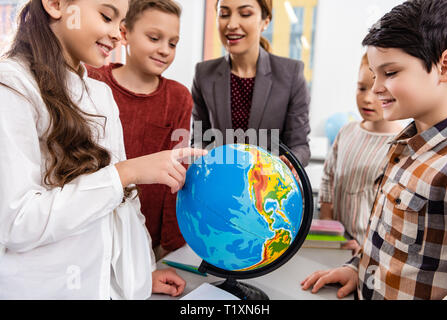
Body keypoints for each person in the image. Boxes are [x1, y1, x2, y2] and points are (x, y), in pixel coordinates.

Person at [0, 0, 206, 299]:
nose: (116, 33)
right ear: (57, 5)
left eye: (119, 22)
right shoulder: (12, 86)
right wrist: (124, 173)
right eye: (107, 16)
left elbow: (123, 208)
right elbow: (18, 224)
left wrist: (142, 273)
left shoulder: (100, 94)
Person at [302, 0, 447, 300]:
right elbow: (389, 244)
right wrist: (357, 268)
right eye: (373, 74)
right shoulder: (403, 148)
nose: (377, 87)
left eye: (390, 73)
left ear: (444, 66)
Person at [87, 0, 190, 261]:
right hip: (92, 231)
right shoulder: (92, 80)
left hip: (148, 240)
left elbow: (179, 174)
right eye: (154, 38)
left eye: (173, 43)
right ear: (124, 33)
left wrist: (170, 245)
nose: (165, 50)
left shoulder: (179, 98)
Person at [191, 0, 311, 167]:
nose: (232, 24)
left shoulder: (291, 74)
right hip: (221, 181)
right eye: (224, 14)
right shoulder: (203, 74)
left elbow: (300, 146)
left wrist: (288, 163)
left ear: (265, 21)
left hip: (269, 184)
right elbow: (199, 138)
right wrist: (202, 157)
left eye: (245, 14)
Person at [319, 53, 403, 254]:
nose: (367, 99)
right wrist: (329, 230)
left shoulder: (402, 146)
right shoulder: (346, 132)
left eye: (377, 92)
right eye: (362, 88)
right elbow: (328, 181)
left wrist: (366, 251)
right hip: (336, 245)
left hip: (370, 252)